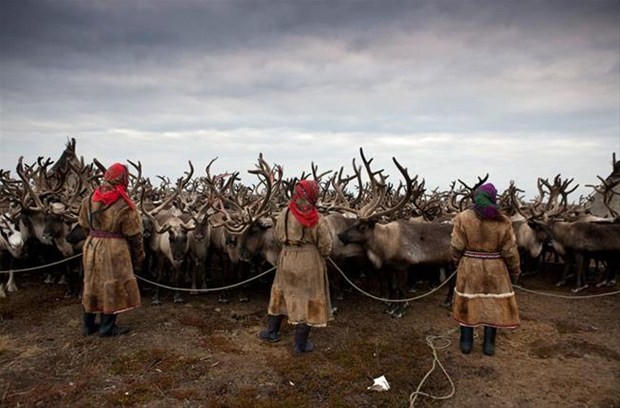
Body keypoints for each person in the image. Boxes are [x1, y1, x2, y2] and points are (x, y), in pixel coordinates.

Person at [259, 179, 333, 354]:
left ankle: (271, 332)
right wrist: (322, 255)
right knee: (308, 299)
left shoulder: (284, 213)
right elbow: (326, 246)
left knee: (282, 293)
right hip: (309, 262)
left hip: (286, 258)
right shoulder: (316, 219)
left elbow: (277, 236)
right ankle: (300, 345)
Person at [450, 182, 521, 356]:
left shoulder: (463, 217)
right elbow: (510, 250)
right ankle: (489, 344)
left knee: (467, 302)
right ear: (492, 198)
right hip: (495, 269)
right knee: (494, 305)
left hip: (470, 267)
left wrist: (457, 262)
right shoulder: (503, 220)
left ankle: (466, 343)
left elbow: (456, 245)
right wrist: (515, 271)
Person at [78, 162, 145, 337]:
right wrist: (139, 256)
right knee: (112, 285)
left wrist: (94, 237)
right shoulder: (124, 203)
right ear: (123, 179)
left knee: (91, 283)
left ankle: (88, 325)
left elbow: (83, 224)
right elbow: (134, 233)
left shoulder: (90, 197)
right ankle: (107, 328)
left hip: (92, 244)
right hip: (114, 248)